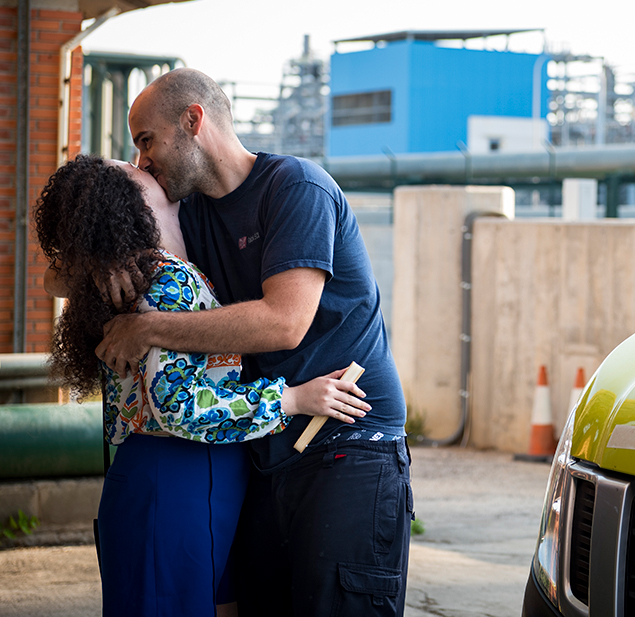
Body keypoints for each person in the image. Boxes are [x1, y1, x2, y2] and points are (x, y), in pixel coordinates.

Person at [94, 68, 412, 616]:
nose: (142, 160)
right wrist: (102, 261)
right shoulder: (186, 211)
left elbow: (283, 322)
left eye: (146, 140)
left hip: (347, 442)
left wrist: (146, 326)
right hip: (262, 445)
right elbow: (57, 269)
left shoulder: (295, 188)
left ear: (193, 121)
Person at [35, 155, 371, 617]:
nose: (145, 164)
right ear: (128, 205)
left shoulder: (153, 268)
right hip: (174, 473)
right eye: (134, 170)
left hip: (187, 475)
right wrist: (291, 398)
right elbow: (180, 406)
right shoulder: (164, 279)